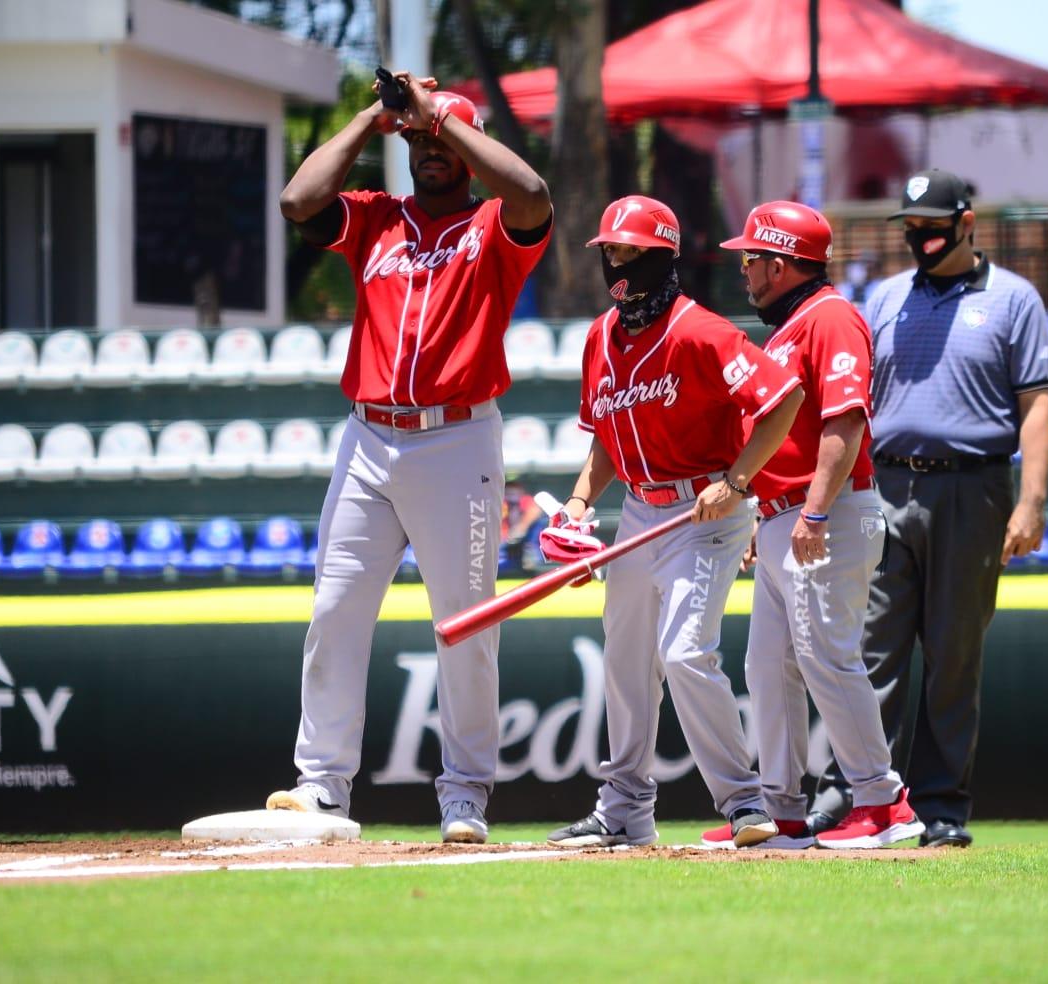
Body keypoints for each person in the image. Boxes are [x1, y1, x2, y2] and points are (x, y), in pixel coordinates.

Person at [267, 70, 553, 843]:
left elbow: (532, 194)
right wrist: (373, 119)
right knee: (334, 608)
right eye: (420, 141)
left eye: (441, 141)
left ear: (465, 149)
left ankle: (464, 796)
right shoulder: (376, 219)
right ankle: (321, 785)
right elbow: (298, 201)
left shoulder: (494, 226)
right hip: (368, 436)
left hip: (457, 438)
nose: (430, 150)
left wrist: (443, 118)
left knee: (465, 625)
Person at [544, 195, 805, 851]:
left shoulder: (703, 330)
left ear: (663, 257)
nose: (616, 264)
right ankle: (625, 808)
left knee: (686, 651)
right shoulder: (601, 336)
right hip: (638, 513)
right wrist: (579, 504)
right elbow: (606, 435)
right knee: (627, 661)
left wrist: (738, 479)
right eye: (609, 252)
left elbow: (784, 398)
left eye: (629, 252)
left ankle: (745, 803)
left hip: (704, 511)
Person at [813, 169, 1048, 847]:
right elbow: (853, 401)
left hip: (972, 488)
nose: (919, 236)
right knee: (868, 648)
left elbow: (1036, 404)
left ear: (966, 222)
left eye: (932, 225)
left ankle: (941, 806)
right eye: (911, 226)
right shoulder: (886, 298)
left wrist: (1031, 501)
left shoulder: (1013, 300)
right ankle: (858, 793)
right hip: (885, 485)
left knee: (953, 654)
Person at [718, 201, 924, 850]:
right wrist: (772, 511)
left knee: (828, 660)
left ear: (779, 265)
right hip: (787, 516)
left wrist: (810, 508)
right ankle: (780, 812)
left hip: (827, 513)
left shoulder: (830, 317)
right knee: (768, 667)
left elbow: (846, 421)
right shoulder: (788, 329)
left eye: (750, 259)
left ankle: (883, 802)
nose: (744, 271)